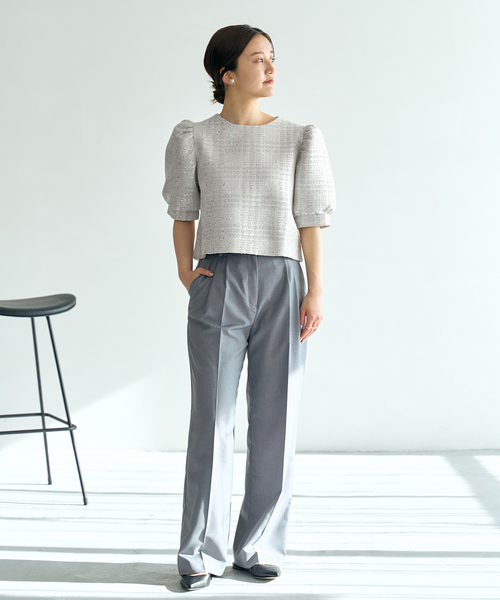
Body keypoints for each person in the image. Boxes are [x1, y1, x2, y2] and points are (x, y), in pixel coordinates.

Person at [162, 24, 336, 591]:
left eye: (273, 58)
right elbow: (182, 212)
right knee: (212, 419)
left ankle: (258, 545)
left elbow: (310, 219)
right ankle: (199, 552)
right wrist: (186, 272)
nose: (271, 68)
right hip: (218, 279)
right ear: (227, 73)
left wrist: (315, 288)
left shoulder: (300, 138)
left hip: (283, 280)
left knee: (276, 418)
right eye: (258, 59)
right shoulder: (194, 137)